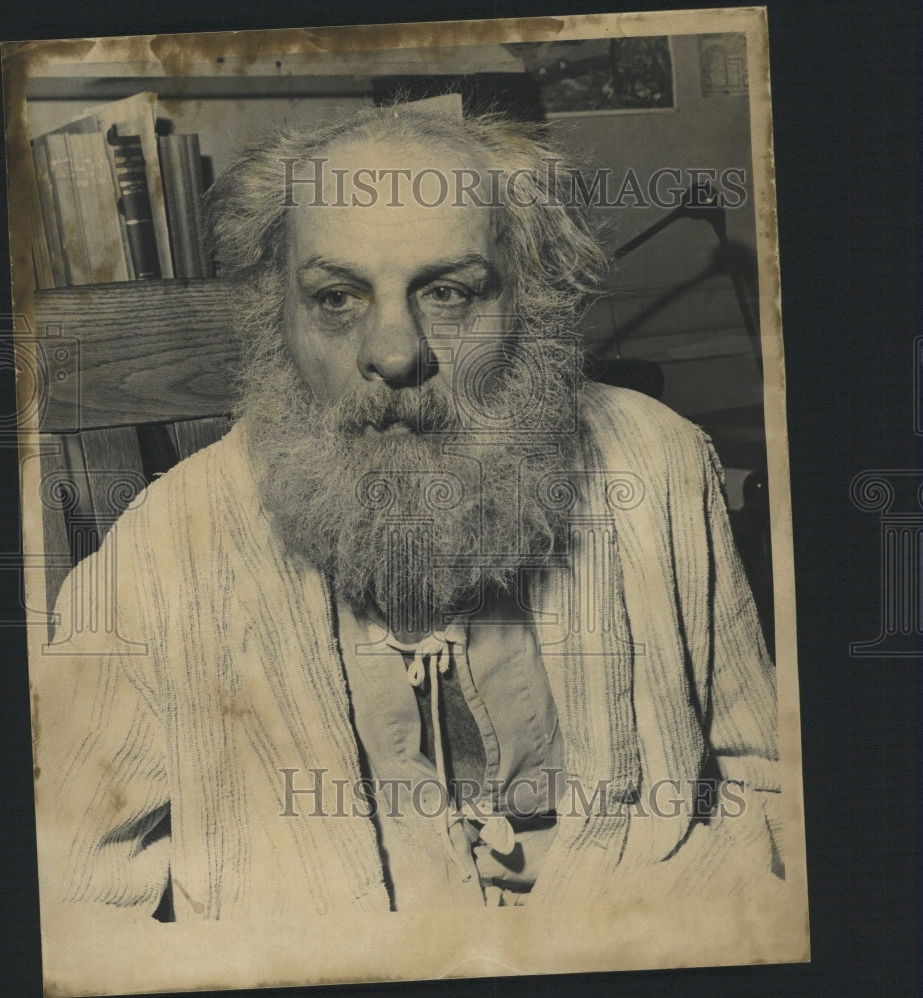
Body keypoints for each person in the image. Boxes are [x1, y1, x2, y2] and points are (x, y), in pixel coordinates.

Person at [34, 99, 781, 925]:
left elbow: (767, 786)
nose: (394, 352)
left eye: (450, 292)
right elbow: (70, 898)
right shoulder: (164, 545)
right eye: (337, 298)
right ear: (274, 313)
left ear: (528, 301)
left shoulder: (659, 463)